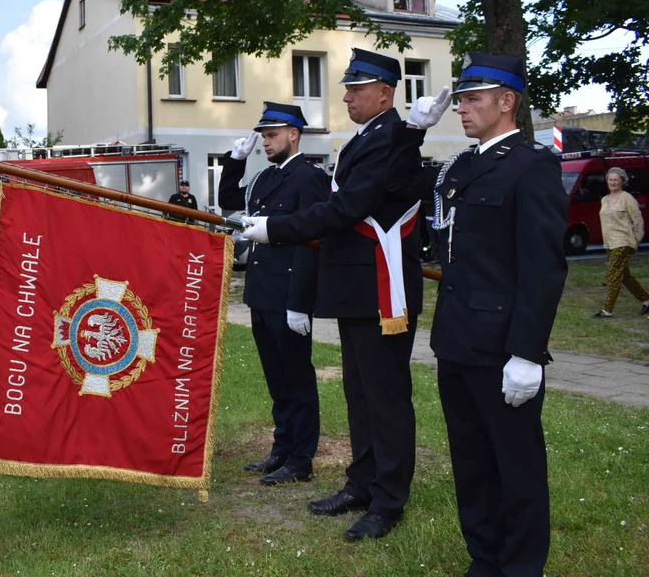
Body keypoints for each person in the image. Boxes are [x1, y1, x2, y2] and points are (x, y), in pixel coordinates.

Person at [241, 49, 437, 541]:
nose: (346, 95)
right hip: (356, 285)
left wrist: (274, 228)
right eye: (347, 87)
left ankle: (389, 499)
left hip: (380, 284)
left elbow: (346, 208)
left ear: (385, 94)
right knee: (360, 393)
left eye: (356, 88)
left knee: (385, 397)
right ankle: (363, 483)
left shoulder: (392, 136)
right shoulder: (367, 138)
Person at [388, 52, 567, 576]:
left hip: (502, 344)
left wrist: (527, 352)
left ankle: (521, 566)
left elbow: (543, 267)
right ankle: (484, 558)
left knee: (516, 464)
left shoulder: (532, 165)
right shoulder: (462, 165)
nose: (461, 109)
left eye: (473, 99)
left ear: (507, 102)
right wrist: (410, 132)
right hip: (456, 338)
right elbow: (398, 186)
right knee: (470, 460)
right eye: (460, 99)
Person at [219, 102, 328, 485]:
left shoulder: (309, 178)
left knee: (297, 377)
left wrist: (300, 303)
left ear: (294, 134)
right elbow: (231, 205)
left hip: (288, 295)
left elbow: (310, 241)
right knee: (276, 378)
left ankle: (301, 459)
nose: (265, 142)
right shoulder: (265, 178)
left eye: (272, 135)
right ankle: (282, 448)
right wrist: (234, 162)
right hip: (261, 292)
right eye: (263, 136)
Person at [592, 166, 648, 318]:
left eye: (616, 180)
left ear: (622, 181)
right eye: (610, 179)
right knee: (623, 276)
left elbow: (638, 221)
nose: (613, 182)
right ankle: (647, 300)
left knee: (612, 273)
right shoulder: (604, 200)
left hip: (624, 241)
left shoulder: (627, 198)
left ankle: (607, 309)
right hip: (610, 243)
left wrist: (635, 241)